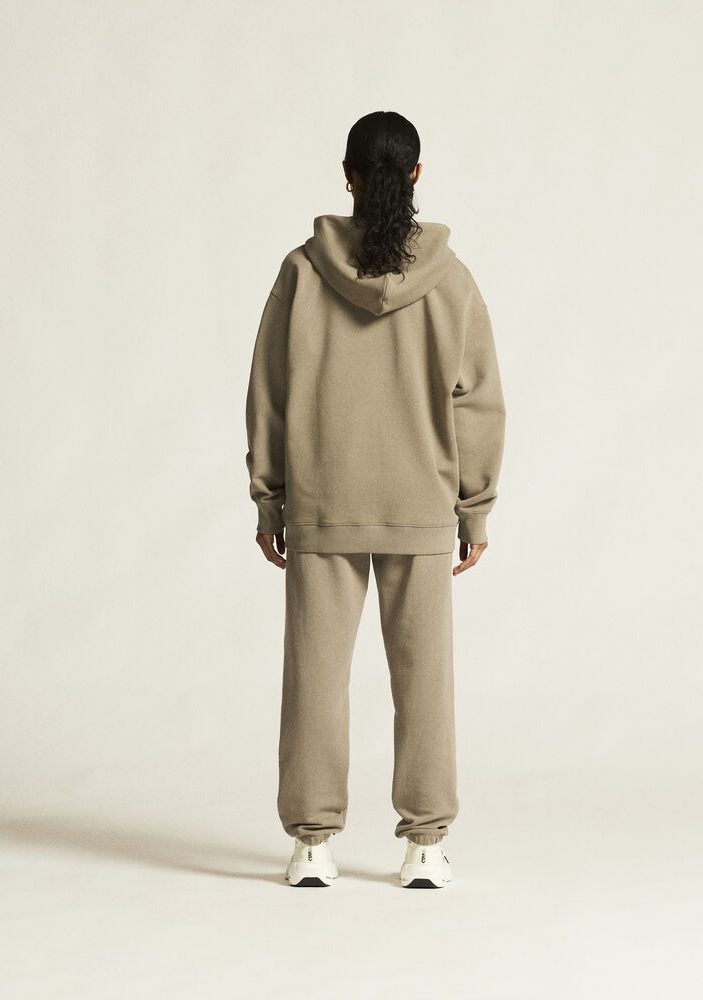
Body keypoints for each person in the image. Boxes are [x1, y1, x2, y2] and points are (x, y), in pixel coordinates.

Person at [245, 111, 506, 888]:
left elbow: (269, 393)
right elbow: (477, 400)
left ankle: (312, 846)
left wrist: (271, 500)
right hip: (420, 501)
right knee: (425, 678)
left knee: (315, 677)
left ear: (348, 176)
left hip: (323, 497)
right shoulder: (450, 280)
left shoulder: (302, 272)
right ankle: (425, 845)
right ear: (415, 175)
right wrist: (474, 507)